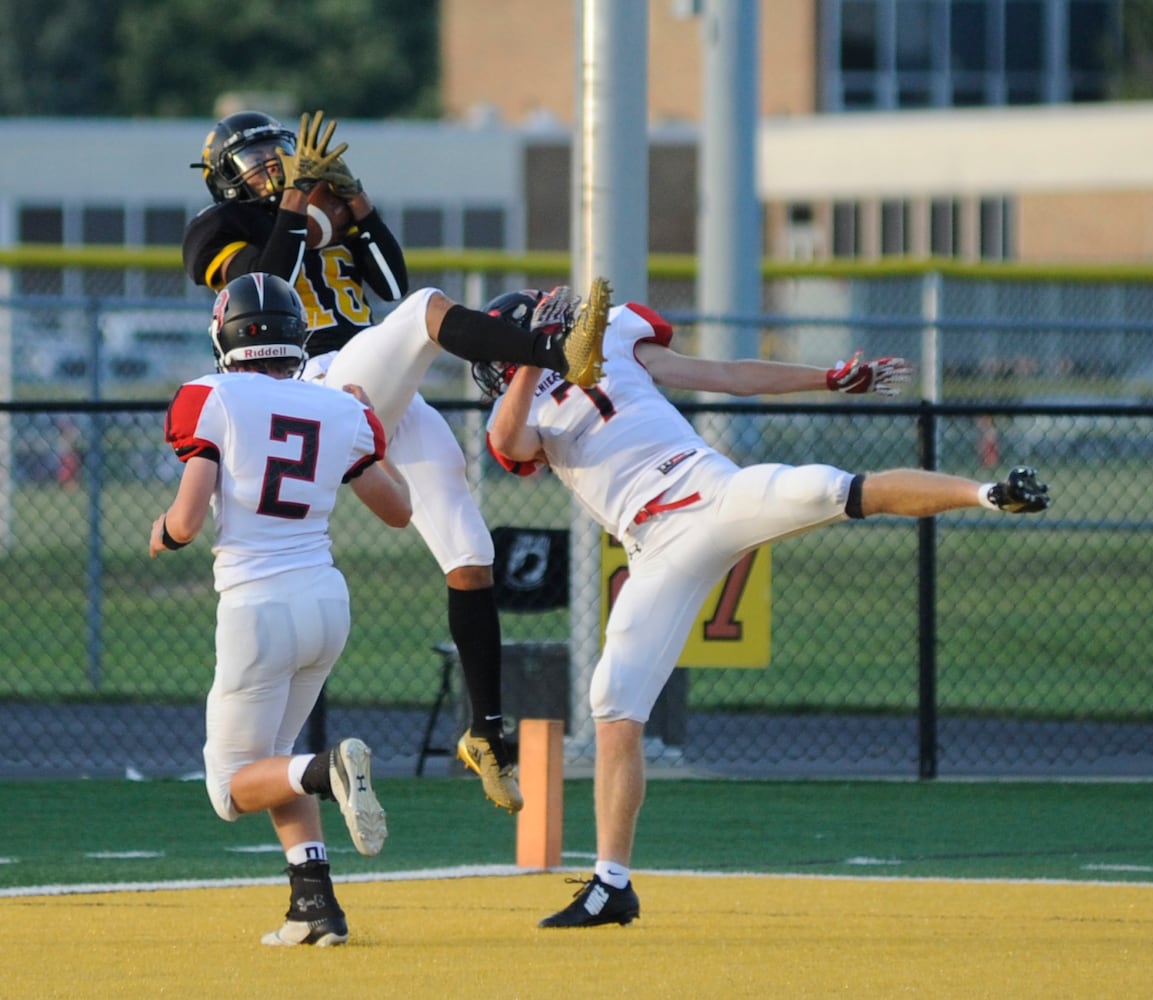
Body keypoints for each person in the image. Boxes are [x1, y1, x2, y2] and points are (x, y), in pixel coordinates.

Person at [477, 284, 1052, 929]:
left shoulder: (614, 341)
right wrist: (535, 357)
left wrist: (828, 379)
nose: (488, 362)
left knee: (835, 488)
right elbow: (510, 441)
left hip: (713, 492)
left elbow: (726, 376)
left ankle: (991, 493)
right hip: (654, 547)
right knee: (613, 702)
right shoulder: (517, 400)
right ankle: (613, 883)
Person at [182, 108, 608, 812]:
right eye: (255, 158)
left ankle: (486, 734)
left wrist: (356, 203)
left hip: (375, 384)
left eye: (277, 153)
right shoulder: (216, 230)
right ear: (228, 177)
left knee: (471, 555)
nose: (272, 164)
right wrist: (296, 204)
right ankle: (559, 353)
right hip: (314, 385)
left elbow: (384, 277)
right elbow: (270, 287)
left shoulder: (316, 208)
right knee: (422, 312)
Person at [149, 273, 414, 946]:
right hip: (326, 600)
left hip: (257, 606)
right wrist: (369, 429)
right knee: (274, 759)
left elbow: (186, 517)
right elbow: (398, 511)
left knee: (234, 787)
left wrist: (165, 533)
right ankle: (315, 907)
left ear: (224, 333)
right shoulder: (336, 408)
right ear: (296, 337)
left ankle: (329, 771)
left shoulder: (210, 396)